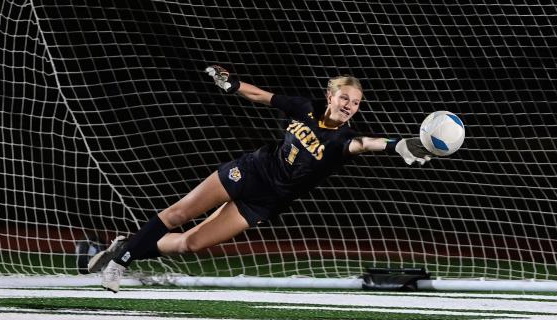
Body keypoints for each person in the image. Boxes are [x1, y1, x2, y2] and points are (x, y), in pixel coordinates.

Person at [87, 65, 433, 292]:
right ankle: (118, 263)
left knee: (190, 244)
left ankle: (125, 246)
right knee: (179, 213)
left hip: (265, 202)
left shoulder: (345, 140)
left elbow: (368, 143)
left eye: (355, 103)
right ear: (331, 96)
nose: (349, 106)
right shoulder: (304, 108)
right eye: (345, 98)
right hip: (250, 171)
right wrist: (233, 84)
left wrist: (399, 144)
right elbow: (262, 96)